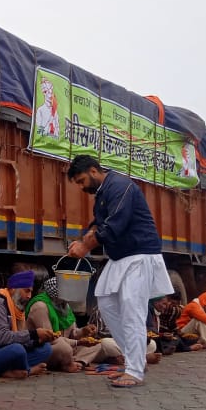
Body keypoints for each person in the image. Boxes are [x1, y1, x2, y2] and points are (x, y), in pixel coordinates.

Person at [65, 155, 174, 388]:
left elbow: (114, 224)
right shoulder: (103, 193)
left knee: (132, 308)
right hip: (121, 257)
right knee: (106, 301)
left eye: (82, 180)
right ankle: (137, 359)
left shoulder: (120, 186)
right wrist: (88, 233)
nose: (81, 187)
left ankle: (134, 372)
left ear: (94, 171)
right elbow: (100, 222)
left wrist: (86, 245)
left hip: (139, 253)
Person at [26, 277, 123, 372]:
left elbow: (73, 334)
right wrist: (78, 343)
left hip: (69, 345)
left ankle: (76, 362)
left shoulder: (64, 306)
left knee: (99, 345)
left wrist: (84, 331)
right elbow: (50, 339)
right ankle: (69, 362)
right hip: (47, 348)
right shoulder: (40, 307)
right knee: (64, 348)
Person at [0, 270, 55, 378]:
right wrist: (34, 333)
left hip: (7, 352)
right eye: (26, 291)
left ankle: (14, 371)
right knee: (17, 349)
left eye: (31, 292)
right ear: (13, 289)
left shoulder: (18, 309)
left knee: (46, 348)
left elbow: (20, 339)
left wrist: (38, 341)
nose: (29, 296)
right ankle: (28, 370)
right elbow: (3, 338)